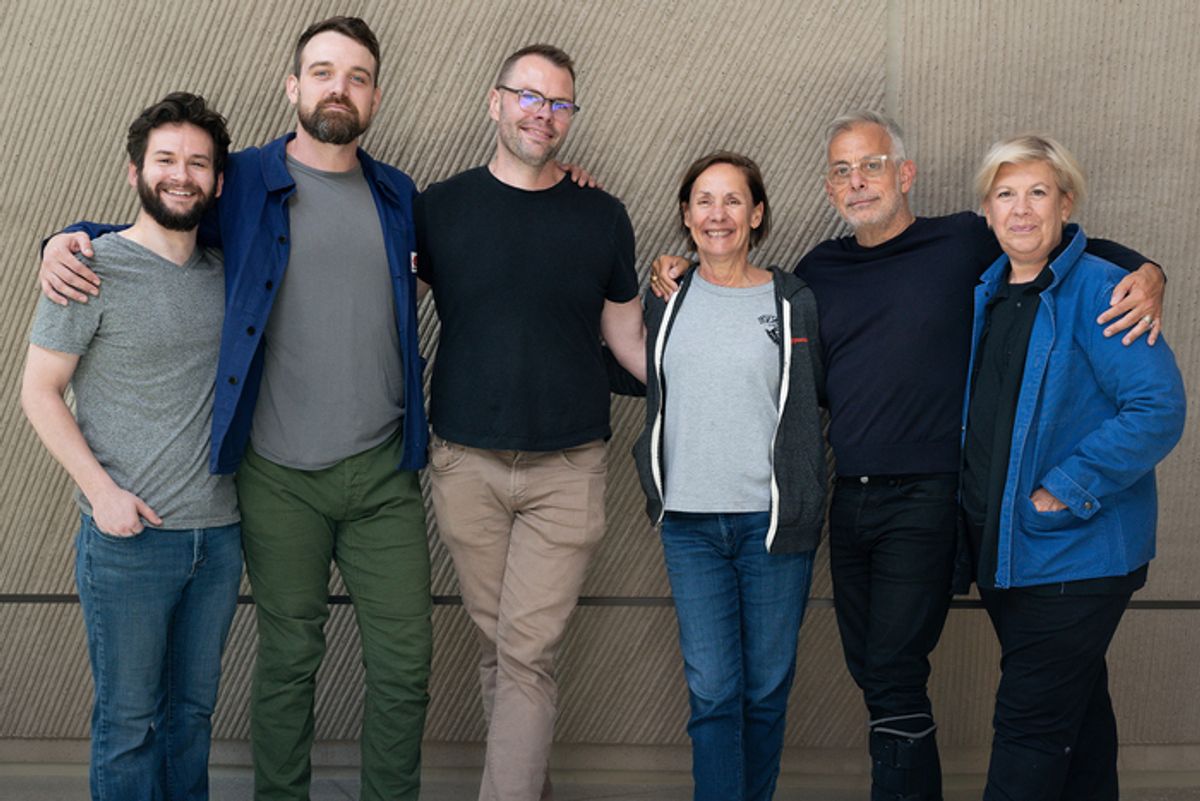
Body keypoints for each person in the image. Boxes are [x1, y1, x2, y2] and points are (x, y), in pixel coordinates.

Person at [650, 111, 1164, 800]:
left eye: (871, 165)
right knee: (874, 670)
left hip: (929, 496)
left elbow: (1057, 243)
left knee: (892, 672)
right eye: (841, 170)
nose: (857, 181)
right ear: (828, 187)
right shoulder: (813, 274)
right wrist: (677, 271)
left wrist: (1148, 270)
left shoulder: (960, 242)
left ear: (905, 174)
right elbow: (749, 348)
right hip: (848, 498)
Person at [39, 17, 431, 801]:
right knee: (288, 659)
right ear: (293, 86)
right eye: (321, 72)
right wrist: (68, 236)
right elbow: (157, 223)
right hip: (279, 474)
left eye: (356, 76)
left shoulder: (397, 194)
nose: (338, 88)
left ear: (376, 96)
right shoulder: (243, 179)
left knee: (407, 661)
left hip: (383, 470)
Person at [414, 44, 645, 801]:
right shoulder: (438, 209)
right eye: (529, 97)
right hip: (465, 466)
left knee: (524, 653)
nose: (543, 113)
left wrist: (722, 376)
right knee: (505, 650)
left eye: (559, 103)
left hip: (566, 469)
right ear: (496, 102)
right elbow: (335, 258)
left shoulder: (603, 215)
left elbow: (629, 343)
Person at [21, 92, 241, 801]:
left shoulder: (229, 274)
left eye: (198, 163)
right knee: (128, 722)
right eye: (166, 160)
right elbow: (39, 392)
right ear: (134, 172)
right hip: (129, 538)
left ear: (218, 181)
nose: (182, 175)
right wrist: (102, 493)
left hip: (217, 536)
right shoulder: (88, 267)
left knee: (191, 720)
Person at [962, 134, 1185, 801]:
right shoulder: (990, 290)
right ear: (987, 209)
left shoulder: (1102, 290)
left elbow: (1157, 407)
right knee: (1077, 719)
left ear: (1066, 205)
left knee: (1029, 728)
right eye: (1006, 194)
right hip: (1007, 552)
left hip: (1073, 555)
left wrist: (1065, 489)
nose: (1021, 209)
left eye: (1038, 193)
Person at [631, 151, 824, 801]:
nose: (719, 214)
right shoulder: (666, 295)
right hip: (689, 523)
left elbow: (812, 400)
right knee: (714, 691)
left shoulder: (790, 299)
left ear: (757, 213)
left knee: (765, 691)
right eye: (704, 201)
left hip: (771, 524)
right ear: (686, 216)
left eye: (733, 200)